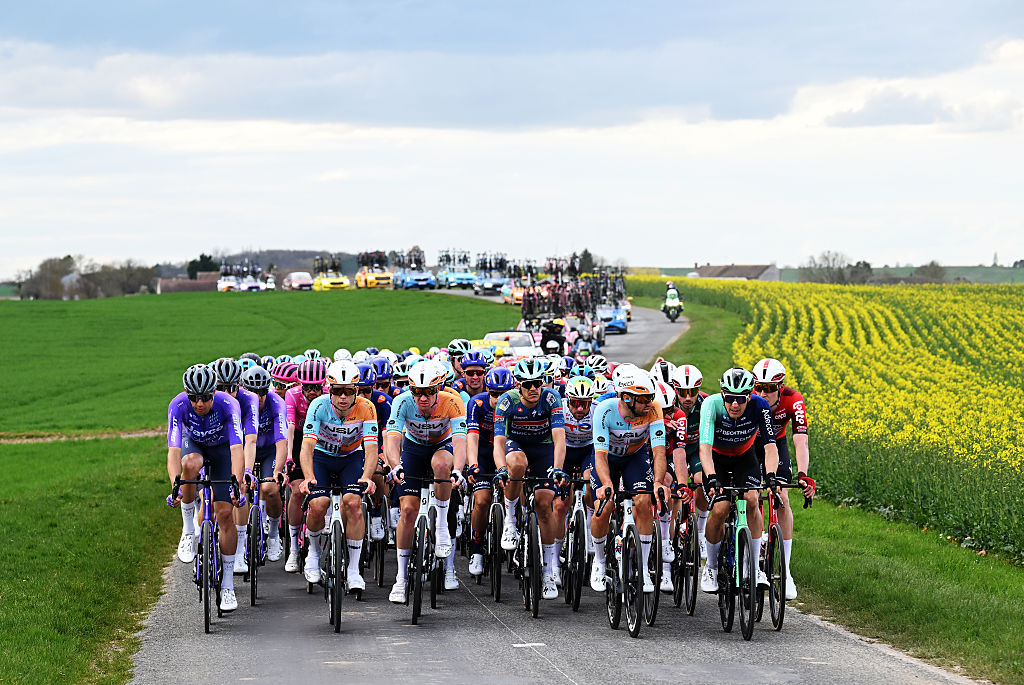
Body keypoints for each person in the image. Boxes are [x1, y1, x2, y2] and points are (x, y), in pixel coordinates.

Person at [384, 361, 468, 602]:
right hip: (413, 449)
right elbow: (392, 439)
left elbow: (461, 442)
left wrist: (459, 469)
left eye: (429, 392)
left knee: (442, 465)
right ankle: (400, 579)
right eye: (417, 392)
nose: (422, 397)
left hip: (443, 446)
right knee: (408, 511)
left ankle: (441, 525)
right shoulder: (401, 401)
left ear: (438, 389)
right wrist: (395, 464)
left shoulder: (452, 402)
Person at [166, 364, 246, 612]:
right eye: (194, 398)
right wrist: (175, 487)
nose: (199, 403)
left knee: (224, 515)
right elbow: (174, 451)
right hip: (195, 446)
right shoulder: (177, 406)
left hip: (223, 451)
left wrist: (237, 483)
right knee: (188, 465)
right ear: (186, 394)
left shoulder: (228, 405)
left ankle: (228, 585)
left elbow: (237, 450)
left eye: (205, 397)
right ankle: (189, 529)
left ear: (214, 392)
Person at [298, 360, 379, 592]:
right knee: (318, 503)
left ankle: (353, 570)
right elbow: (307, 448)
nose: (343, 397)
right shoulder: (318, 406)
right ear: (329, 389)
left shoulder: (367, 407)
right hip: (321, 458)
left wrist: (367, 476)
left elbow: (371, 448)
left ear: (356, 391)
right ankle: (312, 554)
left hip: (350, 459)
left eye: (349, 391)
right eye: (337, 391)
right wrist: (308, 477)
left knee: (353, 503)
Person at [698, 368, 780, 594]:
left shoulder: (760, 406)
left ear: (750, 396)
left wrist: (771, 475)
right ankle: (712, 566)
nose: (735, 405)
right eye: (730, 398)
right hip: (717, 459)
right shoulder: (711, 405)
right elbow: (704, 448)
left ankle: (754, 567)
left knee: (752, 499)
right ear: (722, 394)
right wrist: (712, 477)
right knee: (720, 508)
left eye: (741, 399)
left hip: (745, 457)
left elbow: (770, 446)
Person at [493, 358, 567, 600]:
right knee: (516, 465)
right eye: (528, 384)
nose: (534, 388)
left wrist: (557, 469)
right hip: (518, 446)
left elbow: (559, 439)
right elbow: (499, 443)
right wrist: (501, 468)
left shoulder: (551, 398)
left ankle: (547, 572)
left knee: (545, 504)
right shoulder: (507, 402)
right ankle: (511, 520)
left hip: (543, 449)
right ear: (518, 385)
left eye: (538, 383)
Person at [589, 369, 668, 595]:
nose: (648, 403)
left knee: (644, 501)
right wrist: (606, 484)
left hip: (636, 456)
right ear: (626, 397)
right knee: (603, 506)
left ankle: (642, 569)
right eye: (643, 399)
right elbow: (600, 455)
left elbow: (659, 451)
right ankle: (600, 561)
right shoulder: (605, 411)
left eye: (651, 397)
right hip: (609, 459)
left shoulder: (654, 410)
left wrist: (659, 482)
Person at [752, 357, 816, 600]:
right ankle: (748, 551)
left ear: (780, 387)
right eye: (759, 387)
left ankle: (786, 571)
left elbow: (800, 439)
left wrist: (803, 475)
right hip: (750, 446)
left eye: (769, 388)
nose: (763, 393)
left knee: (782, 496)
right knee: (751, 494)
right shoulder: (751, 397)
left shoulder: (793, 399)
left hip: (776, 446)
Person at [465, 367, 515, 576]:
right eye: (494, 394)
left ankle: (515, 526)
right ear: (487, 391)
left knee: (517, 489)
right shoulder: (477, 404)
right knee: (483, 500)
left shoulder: (516, 406)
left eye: (504, 394)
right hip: (485, 453)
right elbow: (472, 437)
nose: (498, 399)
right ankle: (477, 547)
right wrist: (472, 464)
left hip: (508, 450)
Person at [282, 359, 326, 573]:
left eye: (316, 387)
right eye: (307, 388)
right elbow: (290, 427)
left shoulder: (329, 394)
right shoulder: (292, 394)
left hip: (324, 439)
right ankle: (292, 547)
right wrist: (289, 456)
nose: (311, 392)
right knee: (298, 492)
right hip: (300, 439)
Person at [241, 365, 289, 562]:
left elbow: (282, 442)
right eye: (253, 391)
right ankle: (240, 536)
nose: (258, 397)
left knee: (270, 487)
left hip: (269, 450)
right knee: (241, 485)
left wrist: (278, 470)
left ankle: (274, 534)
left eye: (262, 392)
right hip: (246, 449)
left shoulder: (276, 403)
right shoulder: (239, 403)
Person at [669, 364, 710, 559]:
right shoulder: (668, 404)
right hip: (674, 450)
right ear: (675, 389)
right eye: (683, 392)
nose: (687, 398)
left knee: (702, 479)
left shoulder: (706, 403)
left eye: (692, 392)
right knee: (673, 490)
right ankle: (669, 536)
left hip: (695, 450)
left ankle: (700, 531)